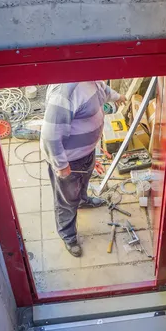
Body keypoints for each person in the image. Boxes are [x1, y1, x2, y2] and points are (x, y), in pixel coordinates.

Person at [41, 81, 126, 257]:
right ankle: (68, 235)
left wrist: (118, 97)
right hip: (70, 161)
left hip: (86, 152)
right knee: (66, 200)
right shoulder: (64, 94)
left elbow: (103, 90)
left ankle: (82, 200)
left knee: (83, 182)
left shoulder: (91, 78)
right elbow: (50, 137)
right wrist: (62, 166)